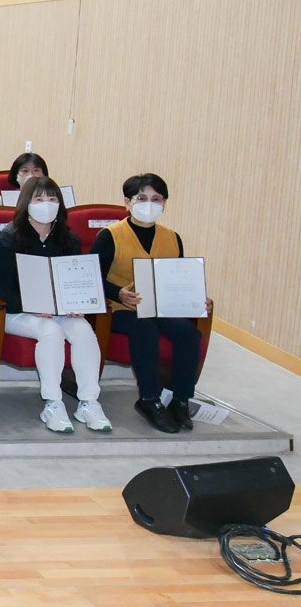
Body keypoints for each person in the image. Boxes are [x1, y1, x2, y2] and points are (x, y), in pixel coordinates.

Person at [0, 180, 108, 434]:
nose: (47, 205)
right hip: (16, 312)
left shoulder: (69, 239)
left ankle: (89, 401)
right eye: (39, 199)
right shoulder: (8, 239)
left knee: (83, 330)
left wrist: (76, 302)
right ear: (26, 204)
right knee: (51, 332)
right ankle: (53, 403)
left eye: (52, 199)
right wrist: (29, 306)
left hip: (58, 311)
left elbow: (76, 279)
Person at [93, 173, 208, 434]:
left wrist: (196, 298)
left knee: (189, 332)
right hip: (121, 309)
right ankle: (149, 399)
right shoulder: (110, 236)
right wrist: (119, 293)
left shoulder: (172, 237)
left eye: (157, 199)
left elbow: (179, 278)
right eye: (142, 198)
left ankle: (180, 399)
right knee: (145, 327)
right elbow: (91, 278)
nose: (150, 204)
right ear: (127, 202)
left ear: (164, 204)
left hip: (161, 307)